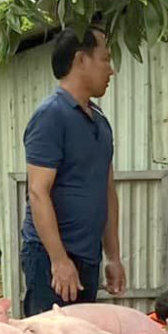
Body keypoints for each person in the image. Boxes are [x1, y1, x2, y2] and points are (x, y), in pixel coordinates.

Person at [21, 25, 125, 316]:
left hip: (87, 258)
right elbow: (38, 192)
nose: (111, 70)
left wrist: (113, 257)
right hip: (51, 259)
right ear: (81, 60)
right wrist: (59, 260)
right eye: (105, 59)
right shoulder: (50, 116)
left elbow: (107, 192)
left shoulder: (100, 122)